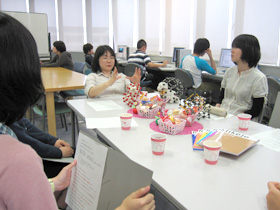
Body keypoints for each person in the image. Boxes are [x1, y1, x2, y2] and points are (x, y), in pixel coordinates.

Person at [0, 12, 155, 210]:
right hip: (102, 117)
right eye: (104, 57)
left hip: (120, 116)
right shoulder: (93, 76)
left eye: (112, 57)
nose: (109, 61)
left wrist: (134, 84)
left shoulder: (121, 76)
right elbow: (91, 93)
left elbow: (132, 94)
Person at [216, 34, 268, 118]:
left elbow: (256, 110)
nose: (232, 51)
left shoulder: (258, 78)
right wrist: (217, 107)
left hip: (241, 120)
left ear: (248, 50)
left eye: (236, 47)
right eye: (232, 47)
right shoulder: (229, 72)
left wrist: (239, 117)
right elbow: (222, 96)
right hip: (222, 115)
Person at [10, 117, 74, 178]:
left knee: (74, 153)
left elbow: (26, 125)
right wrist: (59, 152)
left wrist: (53, 141)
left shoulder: (11, 114)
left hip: (29, 156)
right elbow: (28, 142)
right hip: (23, 166)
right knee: (73, 166)